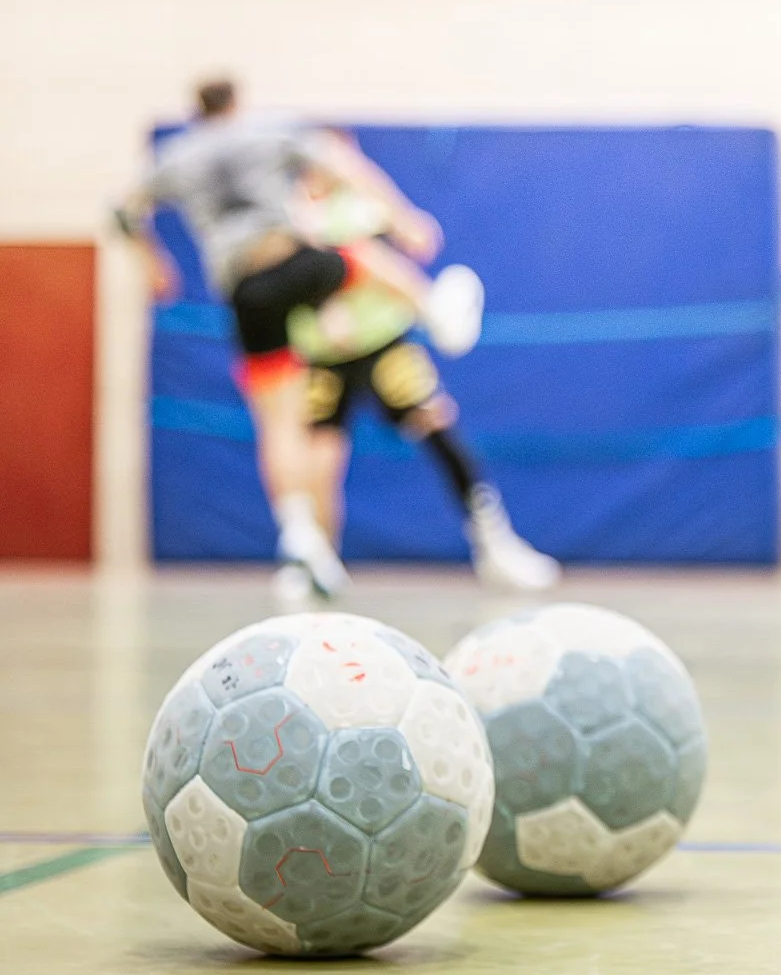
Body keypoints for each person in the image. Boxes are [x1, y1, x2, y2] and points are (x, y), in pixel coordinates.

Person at [114, 77, 481, 599]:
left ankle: (299, 533)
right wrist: (402, 218)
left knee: (278, 420)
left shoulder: (176, 157)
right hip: (288, 260)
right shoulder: (268, 131)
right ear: (236, 104)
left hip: (244, 290)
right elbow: (344, 165)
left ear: (197, 111)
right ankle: (433, 310)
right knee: (358, 257)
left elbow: (122, 210)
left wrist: (153, 263)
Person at [289, 163, 560, 596]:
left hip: (383, 342)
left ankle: (494, 542)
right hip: (324, 355)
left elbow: (417, 239)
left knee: (437, 425)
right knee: (319, 451)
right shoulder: (291, 216)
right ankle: (315, 560)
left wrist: (403, 221)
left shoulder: (359, 207)